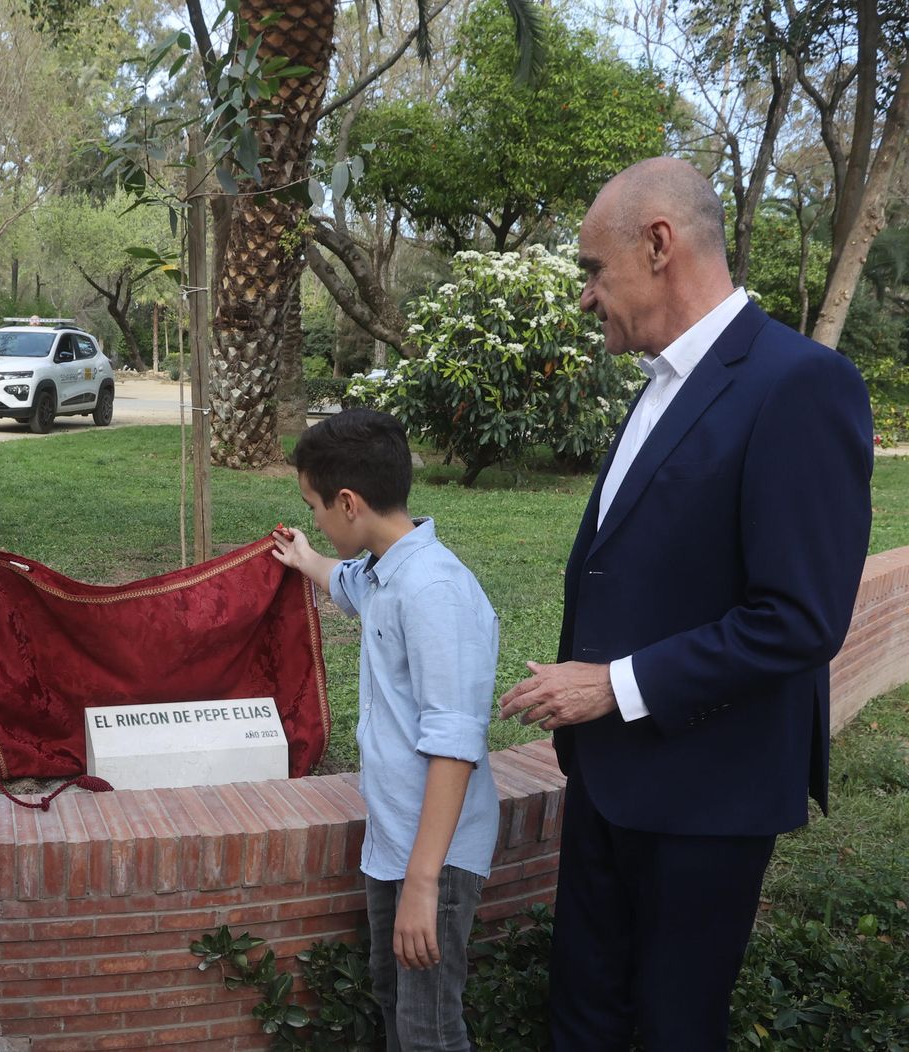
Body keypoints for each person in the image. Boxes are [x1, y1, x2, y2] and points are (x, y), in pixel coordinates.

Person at [498, 157, 874, 1050]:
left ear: (659, 245)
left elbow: (799, 618)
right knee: (582, 1019)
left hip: (709, 795)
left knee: (674, 1029)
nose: (586, 295)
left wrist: (612, 685)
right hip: (608, 778)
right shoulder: (662, 384)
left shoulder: (800, 384)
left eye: (595, 269)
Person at [272, 408, 499, 1052]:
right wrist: (307, 558)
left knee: (429, 1030)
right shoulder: (385, 571)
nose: (315, 518)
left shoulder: (434, 592)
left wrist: (423, 884)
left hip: (435, 857)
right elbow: (347, 585)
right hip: (395, 841)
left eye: (314, 506)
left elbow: (455, 745)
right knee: (397, 1003)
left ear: (348, 502)